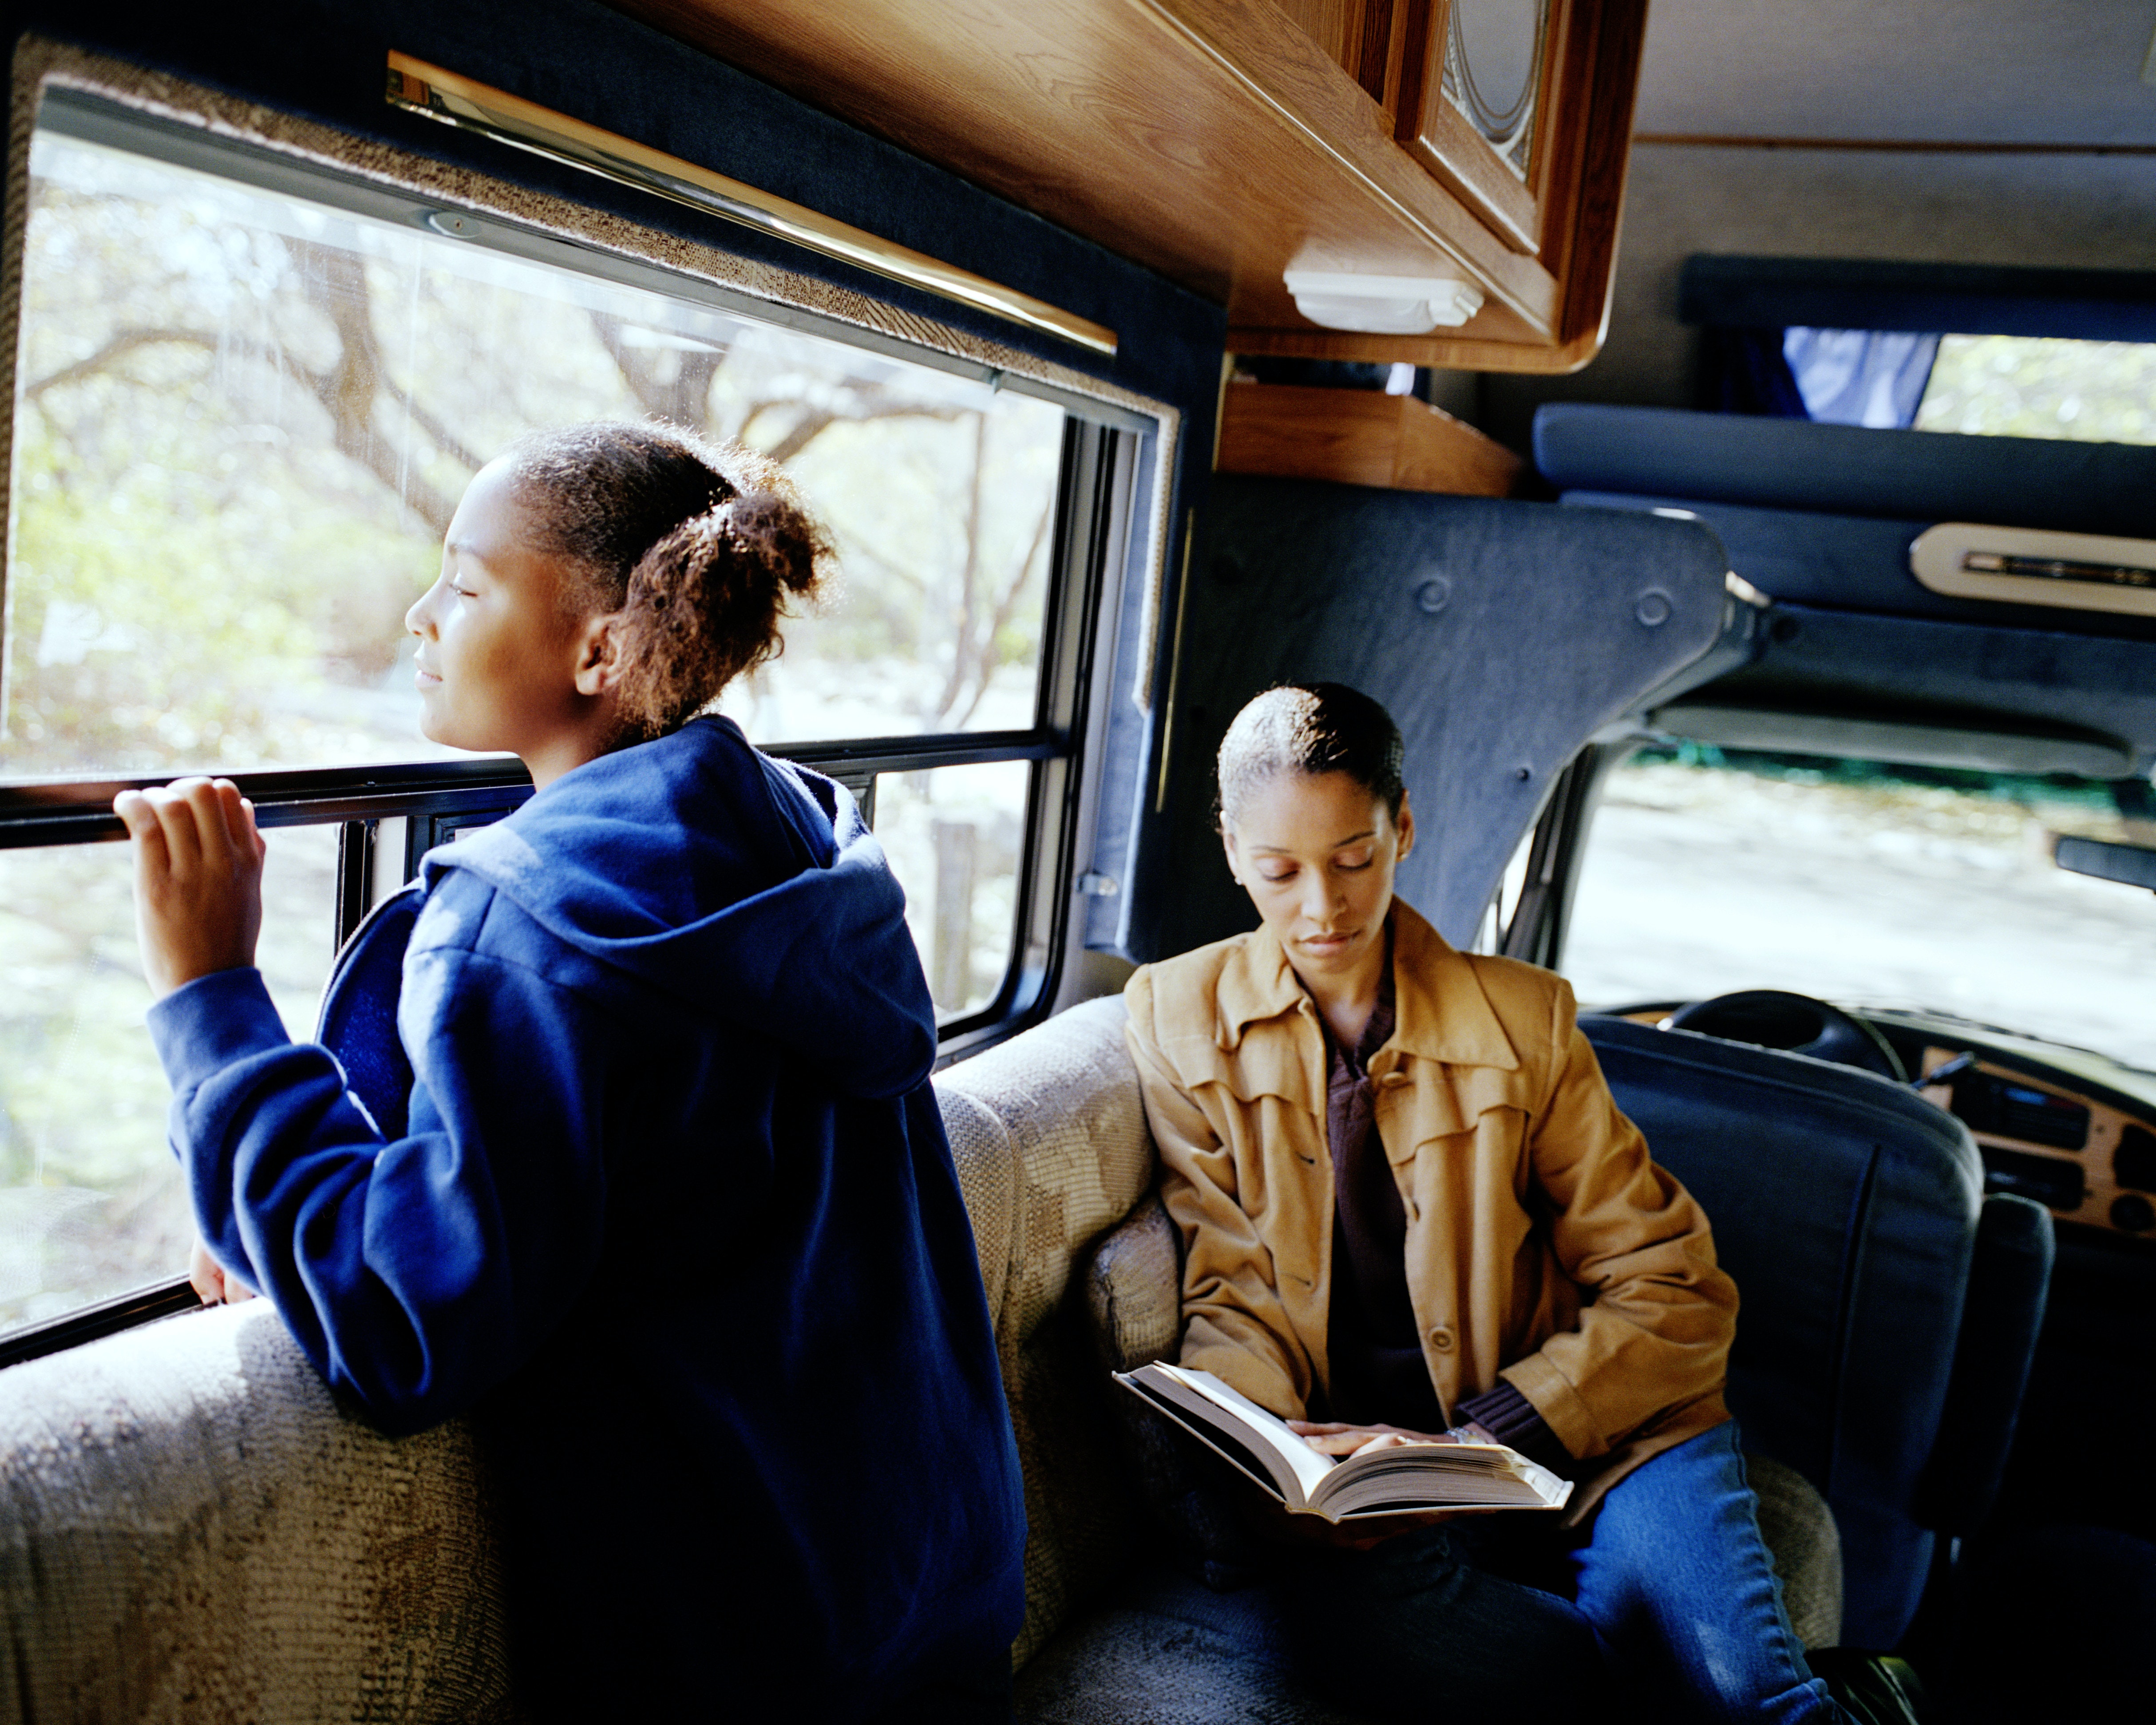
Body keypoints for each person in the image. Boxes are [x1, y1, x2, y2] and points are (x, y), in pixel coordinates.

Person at [114, 422, 1025, 1723]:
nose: (423, 616)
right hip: (939, 1610)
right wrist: (272, 1199)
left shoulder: (535, 929)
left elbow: (406, 1321)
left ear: (601, 649)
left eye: (467, 583)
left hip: (739, 1665)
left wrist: (211, 1000)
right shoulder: (800, 843)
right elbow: (619, 1178)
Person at [1121, 682, 1847, 1723]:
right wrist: (1272, 1455)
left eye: (1353, 859)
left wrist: (1490, 1434)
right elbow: (1231, 1281)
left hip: (1611, 1445)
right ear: (1231, 847)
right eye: (1279, 872)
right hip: (1384, 1493)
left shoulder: (1528, 1019)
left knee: (1744, 1694)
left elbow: (1674, 1292)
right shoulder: (1173, 1013)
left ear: (1402, 827)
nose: (1321, 909)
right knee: (1358, 1634)